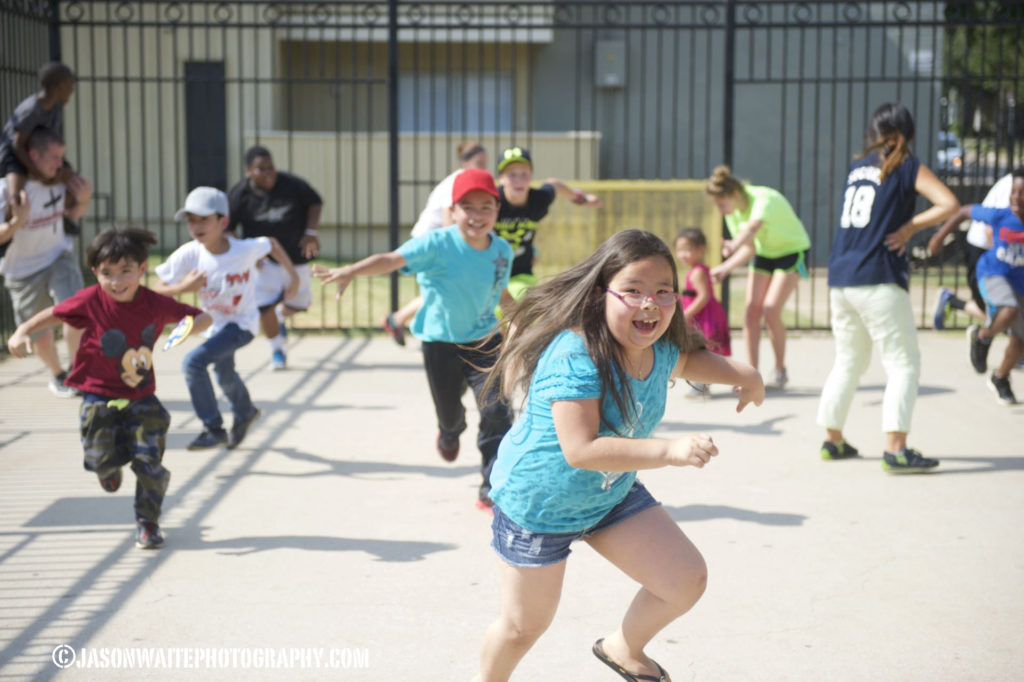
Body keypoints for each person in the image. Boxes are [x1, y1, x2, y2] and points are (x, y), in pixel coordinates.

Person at [474, 229, 764, 682]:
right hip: (540, 504)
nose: (650, 303)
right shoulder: (576, 353)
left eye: (662, 291)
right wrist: (670, 450)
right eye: (633, 291)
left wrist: (746, 375)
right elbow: (581, 448)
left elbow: (687, 361)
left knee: (684, 580)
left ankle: (623, 648)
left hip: (609, 494)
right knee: (522, 628)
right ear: (600, 293)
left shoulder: (659, 345)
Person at [314, 168, 515, 508]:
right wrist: (351, 270)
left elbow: (502, 294)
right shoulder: (437, 244)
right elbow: (391, 259)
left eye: (486, 207)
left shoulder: (502, 252)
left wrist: (518, 325)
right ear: (452, 211)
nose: (477, 216)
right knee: (449, 413)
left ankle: (491, 484)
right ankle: (450, 431)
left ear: (497, 211)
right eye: (468, 207)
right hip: (440, 344)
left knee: (497, 410)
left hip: (484, 341)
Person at [7, 227, 212, 549]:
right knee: (100, 458)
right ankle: (108, 467)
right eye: (107, 274)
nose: (117, 281)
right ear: (95, 273)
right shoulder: (90, 300)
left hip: (141, 397)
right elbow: (52, 314)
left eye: (125, 271)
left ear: (142, 270)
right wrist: (21, 331)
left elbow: (200, 318)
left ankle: (148, 522)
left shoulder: (155, 304)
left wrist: (186, 330)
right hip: (98, 395)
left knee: (150, 464)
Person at [817, 102, 959, 471]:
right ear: (908, 134)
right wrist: (911, 228)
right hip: (877, 275)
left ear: (872, 133)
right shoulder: (907, 166)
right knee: (903, 363)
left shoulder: (857, 168)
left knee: (848, 360)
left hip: (842, 276)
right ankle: (896, 448)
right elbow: (949, 203)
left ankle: (832, 440)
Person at [153, 187, 299, 450]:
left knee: (192, 363)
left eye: (203, 219)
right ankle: (246, 412)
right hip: (215, 326)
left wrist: (294, 277)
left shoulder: (243, 249)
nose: (195, 226)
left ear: (223, 222)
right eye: (191, 220)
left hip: (242, 325)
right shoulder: (190, 253)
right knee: (224, 373)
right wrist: (180, 289)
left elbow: (273, 245)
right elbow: (155, 288)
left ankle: (213, 428)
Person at [0, 127, 91, 397]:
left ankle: (78, 370)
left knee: (75, 310)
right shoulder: (7, 188)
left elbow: (73, 214)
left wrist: (83, 201)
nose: (59, 164)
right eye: (53, 157)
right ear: (33, 155)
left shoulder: (59, 181)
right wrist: (17, 221)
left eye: (62, 157)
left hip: (58, 255)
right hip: (22, 270)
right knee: (40, 333)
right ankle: (58, 375)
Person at [705, 165, 811, 390]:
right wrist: (725, 268)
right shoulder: (732, 213)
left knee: (770, 310)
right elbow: (750, 249)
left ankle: (780, 370)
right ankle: (752, 376)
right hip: (764, 254)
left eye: (721, 204)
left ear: (734, 194)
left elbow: (752, 228)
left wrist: (733, 244)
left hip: (791, 251)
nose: (720, 210)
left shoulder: (764, 198)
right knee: (751, 310)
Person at [382, 141, 488, 345]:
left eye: (485, 163)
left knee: (439, 291)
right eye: (479, 162)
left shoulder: (464, 180)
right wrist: (457, 251)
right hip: (430, 244)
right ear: (465, 162)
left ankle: (397, 320)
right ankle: (424, 334)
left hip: (436, 243)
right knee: (440, 291)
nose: (483, 168)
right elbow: (450, 218)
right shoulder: (457, 182)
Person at [227, 145, 322, 370]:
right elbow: (227, 227)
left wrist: (311, 233)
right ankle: (277, 348)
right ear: (249, 171)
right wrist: (245, 252)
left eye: (271, 167)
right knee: (263, 307)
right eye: (262, 169)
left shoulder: (291, 184)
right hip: (264, 262)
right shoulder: (239, 194)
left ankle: (279, 317)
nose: (269, 173)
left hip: (295, 256)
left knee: (300, 304)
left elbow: (315, 202)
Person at [493, 145, 602, 300]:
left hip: (521, 273)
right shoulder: (493, 200)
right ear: (501, 178)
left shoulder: (538, 199)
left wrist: (582, 200)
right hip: (492, 272)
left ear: (531, 176)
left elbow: (554, 185)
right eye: (512, 175)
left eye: (524, 174)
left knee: (519, 302)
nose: (518, 180)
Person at [954, 168, 1024, 405]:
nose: (1017, 195)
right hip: (988, 257)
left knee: (1018, 339)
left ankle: (1000, 377)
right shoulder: (1012, 192)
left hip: (1017, 273)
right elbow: (988, 228)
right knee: (1008, 310)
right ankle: (983, 337)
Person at [929, 173, 1012, 329]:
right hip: (985, 252)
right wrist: (939, 237)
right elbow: (990, 230)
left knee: (1011, 316)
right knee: (1002, 312)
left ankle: (952, 302)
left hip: (1006, 256)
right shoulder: (1014, 187)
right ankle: (981, 337)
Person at [0, 62, 76, 212]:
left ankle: (62, 213)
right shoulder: (31, 109)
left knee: (70, 175)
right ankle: (9, 221)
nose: (72, 90)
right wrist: (36, 171)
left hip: (40, 152)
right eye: (69, 85)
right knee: (16, 193)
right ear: (58, 86)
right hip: (15, 154)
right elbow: (18, 144)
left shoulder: (55, 107)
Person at [675, 227, 732, 396]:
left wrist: (686, 314)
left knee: (703, 348)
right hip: (702, 314)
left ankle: (702, 383)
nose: (682, 254)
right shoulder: (696, 269)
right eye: (679, 250)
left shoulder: (698, 271)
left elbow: (704, 296)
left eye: (687, 250)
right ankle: (702, 382)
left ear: (701, 249)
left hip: (704, 317)